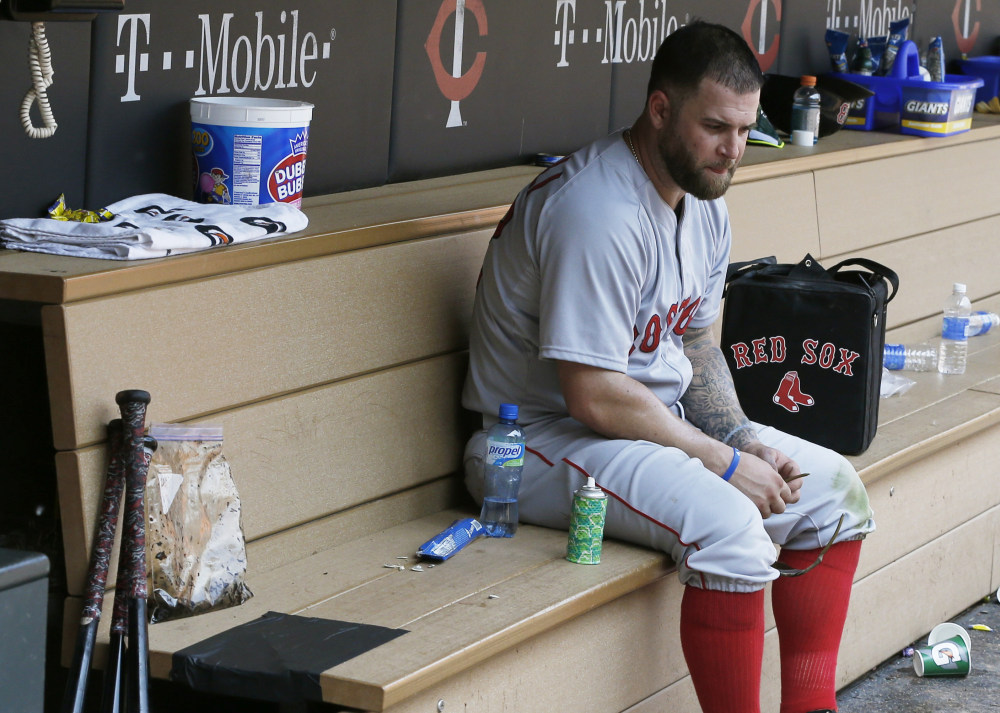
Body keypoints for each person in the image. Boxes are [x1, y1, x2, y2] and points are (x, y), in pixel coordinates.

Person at [461, 20, 875, 713]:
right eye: (716, 126)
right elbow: (592, 393)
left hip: (646, 431)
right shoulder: (596, 210)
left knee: (834, 493)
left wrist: (744, 440)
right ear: (660, 110)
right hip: (537, 442)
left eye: (745, 130)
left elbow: (698, 347)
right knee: (734, 529)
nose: (732, 150)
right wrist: (719, 461)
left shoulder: (705, 201)